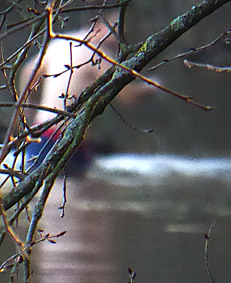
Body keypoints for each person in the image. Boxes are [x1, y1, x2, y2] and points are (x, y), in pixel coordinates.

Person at [13, 11, 146, 175]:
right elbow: (127, 96)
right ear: (97, 26)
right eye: (115, 27)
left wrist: (27, 108)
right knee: (72, 196)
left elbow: (28, 71)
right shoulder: (97, 53)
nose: (120, 34)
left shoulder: (60, 42)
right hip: (62, 140)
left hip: (41, 133)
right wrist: (153, 87)